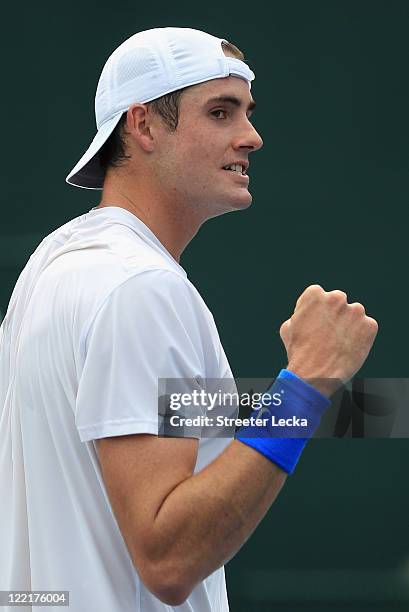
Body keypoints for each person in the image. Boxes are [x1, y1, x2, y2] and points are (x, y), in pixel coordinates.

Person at [0, 27, 377, 611]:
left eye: (247, 113)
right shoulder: (139, 288)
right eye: (221, 113)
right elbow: (168, 557)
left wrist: (349, 405)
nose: (251, 137)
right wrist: (305, 384)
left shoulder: (56, 263)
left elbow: (142, 422)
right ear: (143, 125)